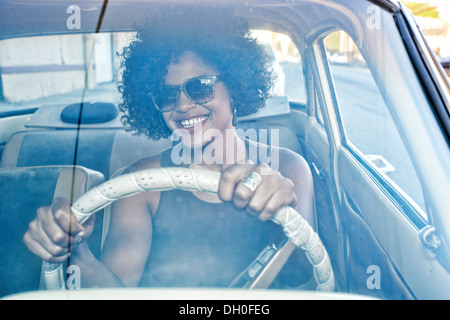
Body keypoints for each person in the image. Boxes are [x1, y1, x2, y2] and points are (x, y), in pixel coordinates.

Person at [23, 7, 315, 289]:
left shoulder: (287, 168)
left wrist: (284, 215)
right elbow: (115, 291)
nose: (183, 106)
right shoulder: (140, 183)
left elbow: (301, 276)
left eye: (200, 86)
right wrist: (75, 248)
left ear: (235, 87)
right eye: (166, 95)